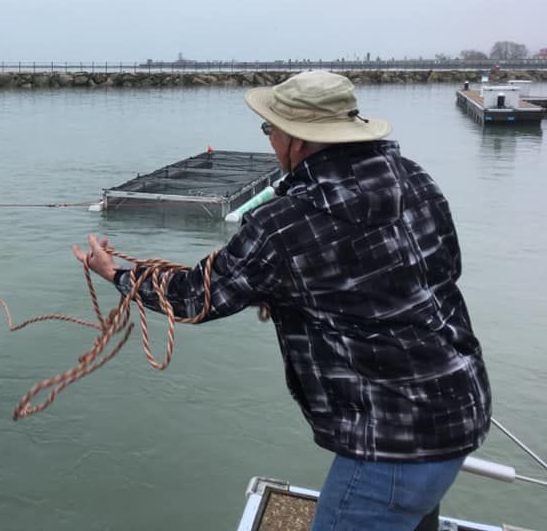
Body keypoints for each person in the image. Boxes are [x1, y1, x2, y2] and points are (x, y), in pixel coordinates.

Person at [74, 71, 491, 531]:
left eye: (270, 130)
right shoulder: (415, 178)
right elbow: (442, 271)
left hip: (391, 443)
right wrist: (303, 292)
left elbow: (196, 296)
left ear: (297, 139)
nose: (270, 140)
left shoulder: (286, 224)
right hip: (461, 406)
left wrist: (115, 273)